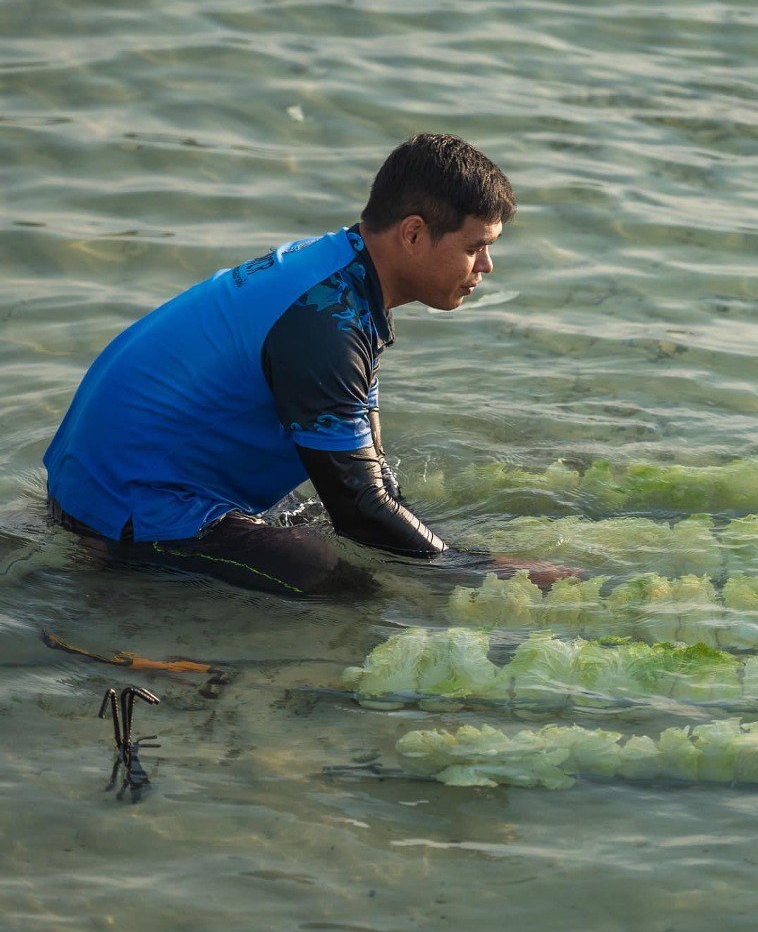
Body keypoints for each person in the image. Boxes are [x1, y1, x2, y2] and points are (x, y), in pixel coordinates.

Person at [44, 133, 565, 596]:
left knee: (372, 535)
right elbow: (360, 511)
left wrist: (446, 549)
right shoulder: (327, 324)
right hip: (121, 511)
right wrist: (484, 571)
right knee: (346, 584)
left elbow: (370, 478)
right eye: (476, 248)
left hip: (98, 483)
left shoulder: (341, 275)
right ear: (412, 234)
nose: (486, 268)